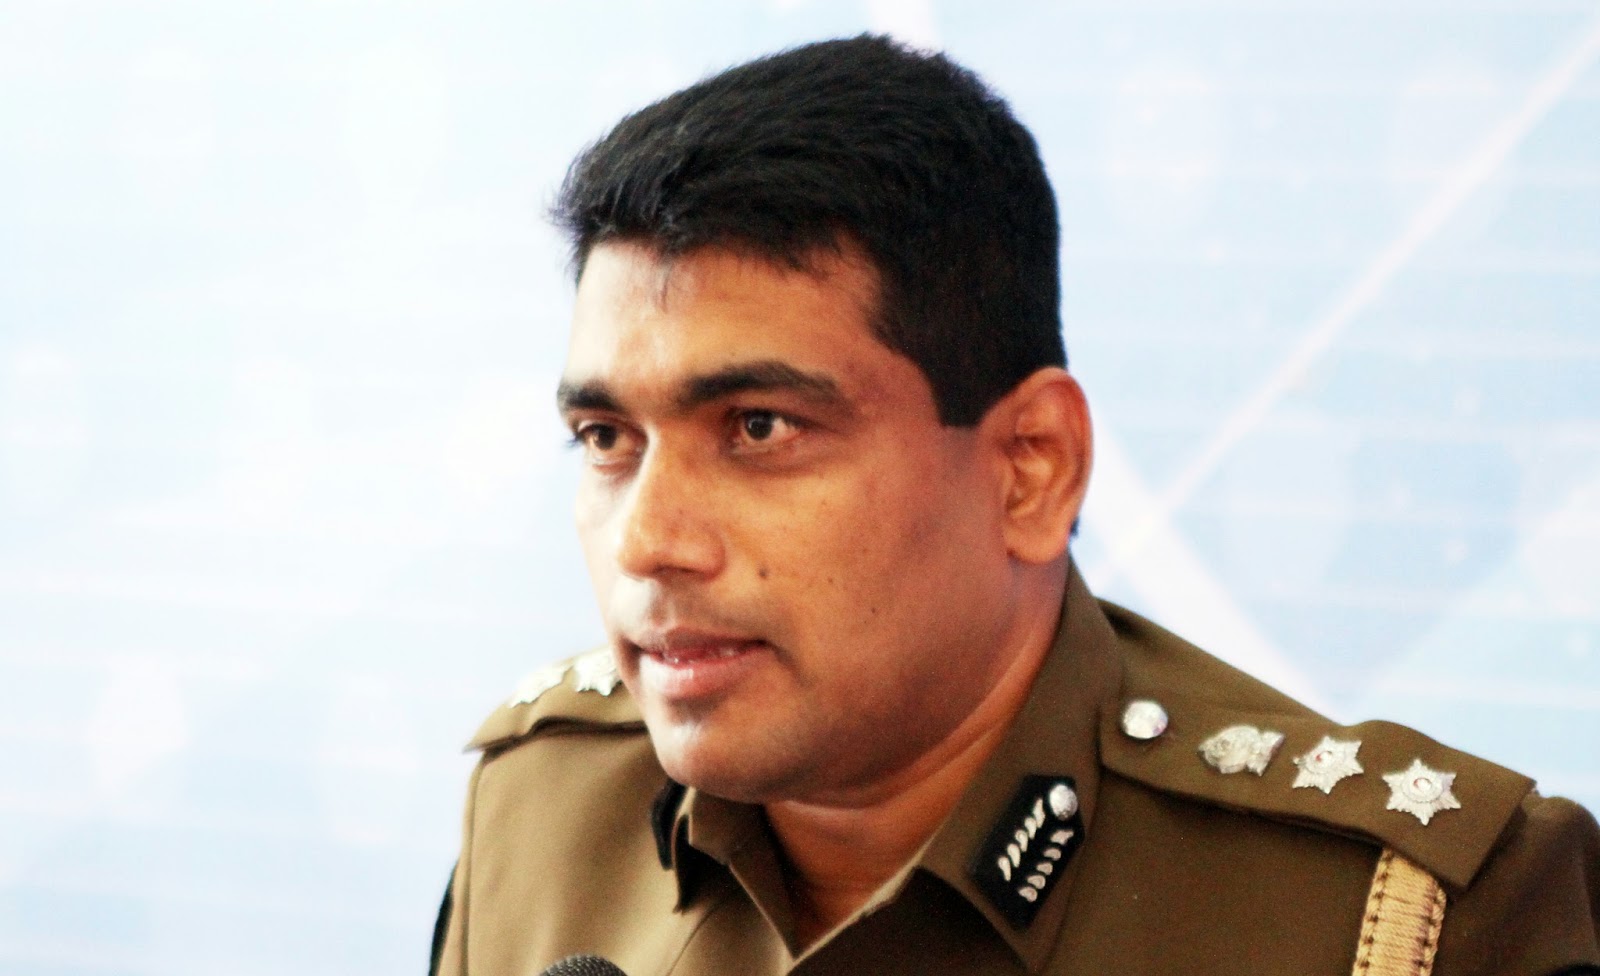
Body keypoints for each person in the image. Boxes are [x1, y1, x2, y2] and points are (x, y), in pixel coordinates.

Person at [431, 35, 1599, 976]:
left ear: (1030, 467)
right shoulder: (541, 811)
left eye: (760, 428)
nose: (647, 540)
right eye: (606, 439)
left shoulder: (1398, 922)